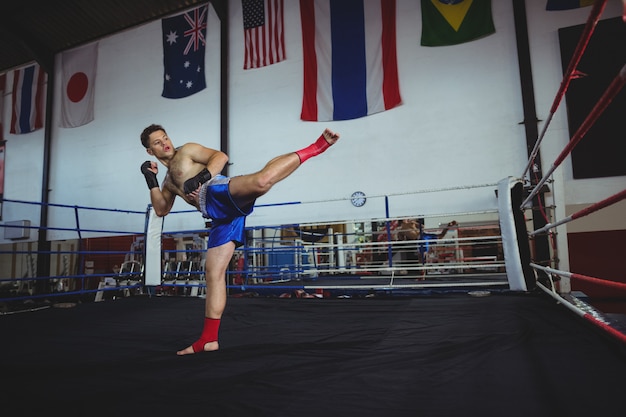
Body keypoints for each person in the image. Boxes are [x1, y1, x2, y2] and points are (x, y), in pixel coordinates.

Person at [139, 124, 340, 355]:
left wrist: (202, 178)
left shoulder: (187, 151)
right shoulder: (167, 182)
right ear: (150, 152)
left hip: (217, 191)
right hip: (216, 215)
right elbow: (161, 208)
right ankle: (208, 339)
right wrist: (150, 180)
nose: (165, 143)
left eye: (165, 137)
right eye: (157, 142)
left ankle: (315, 147)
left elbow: (220, 156)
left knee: (261, 182)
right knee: (213, 273)